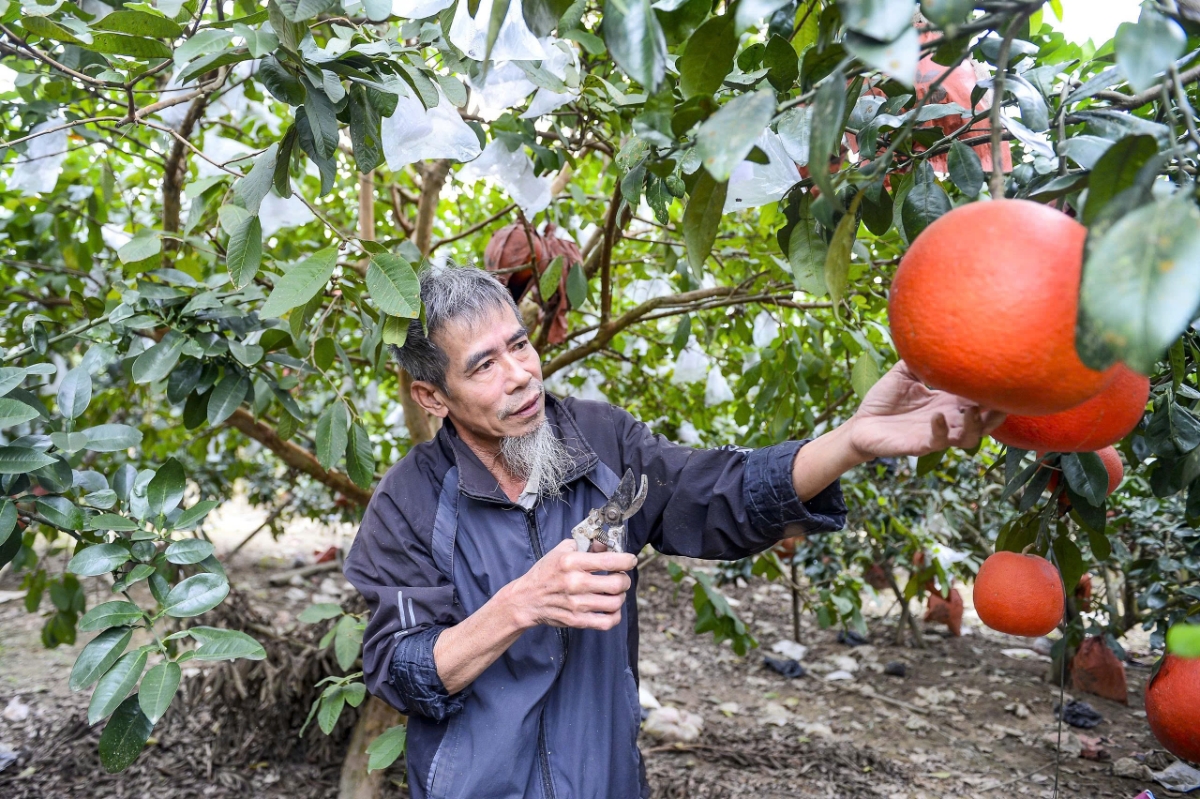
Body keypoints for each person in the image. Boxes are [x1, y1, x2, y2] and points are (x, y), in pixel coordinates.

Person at [343, 264, 1003, 799]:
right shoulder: (408, 502)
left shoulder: (599, 440)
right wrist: (522, 604)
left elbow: (713, 494)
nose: (521, 374)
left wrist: (852, 442)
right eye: (483, 365)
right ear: (432, 396)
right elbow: (401, 668)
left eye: (520, 344)